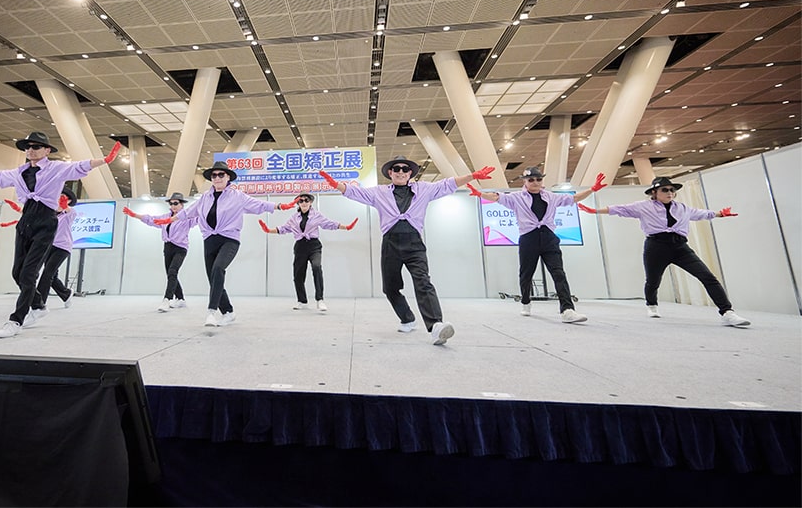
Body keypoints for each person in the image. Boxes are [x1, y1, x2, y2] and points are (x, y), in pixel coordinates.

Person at [0, 131, 120, 338]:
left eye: (36, 147)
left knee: (29, 274)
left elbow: (80, 166)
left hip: (45, 223)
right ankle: (38, 305)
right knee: (17, 273)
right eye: (27, 147)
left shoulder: (56, 168)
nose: (31, 150)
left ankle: (15, 320)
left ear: (47, 150)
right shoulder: (19, 172)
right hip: (25, 221)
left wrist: (104, 160)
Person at [319, 157, 495, 345]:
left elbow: (447, 184)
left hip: (414, 244)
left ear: (410, 173)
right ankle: (407, 318)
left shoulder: (424, 189)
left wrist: (471, 176)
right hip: (390, 244)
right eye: (396, 169)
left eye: (405, 169)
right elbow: (356, 192)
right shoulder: (379, 192)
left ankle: (436, 325)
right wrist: (337, 185)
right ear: (390, 172)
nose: (401, 172)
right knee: (390, 288)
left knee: (423, 281)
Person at [576, 176, 749, 327]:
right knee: (653, 281)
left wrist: (720, 214)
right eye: (665, 190)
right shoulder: (643, 206)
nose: (669, 193)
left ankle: (727, 312)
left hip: (680, 247)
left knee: (708, 277)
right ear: (655, 192)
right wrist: (594, 210)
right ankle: (651, 305)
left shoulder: (682, 208)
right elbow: (620, 209)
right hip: (656, 246)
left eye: (672, 190)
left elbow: (701, 213)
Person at [156, 161, 299, 327]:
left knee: (218, 269)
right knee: (213, 278)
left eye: (221, 174)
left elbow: (258, 204)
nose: (217, 178)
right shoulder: (205, 197)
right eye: (214, 175)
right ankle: (228, 312)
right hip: (209, 240)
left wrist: (280, 206)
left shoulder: (237, 196)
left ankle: (211, 312)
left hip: (229, 239)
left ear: (228, 177)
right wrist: (169, 220)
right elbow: (188, 212)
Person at [467, 166, 604, 323]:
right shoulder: (516, 197)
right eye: (531, 179)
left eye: (538, 179)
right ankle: (526, 302)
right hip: (528, 238)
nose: (535, 182)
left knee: (558, 273)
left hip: (549, 238)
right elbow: (497, 197)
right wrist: (480, 194)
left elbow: (573, 198)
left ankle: (567, 310)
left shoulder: (551, 197)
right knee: (526, 274)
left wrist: (592, 189)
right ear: (525, 181)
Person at [258, 193, 357, 312]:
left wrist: (346, 227)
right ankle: (302, 301)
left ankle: (320, 300)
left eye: (307, 200)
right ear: (298, 203)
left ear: (311, 202)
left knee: (316, 267)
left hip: (314, 246)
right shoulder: (294, 218)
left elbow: (329, 224)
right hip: (300, 247)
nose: (304, 202)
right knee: (298, 275)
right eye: (301, 201)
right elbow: (284, 228)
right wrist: (268, 230)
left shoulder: (316, 215)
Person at [123, 192, 198, 312]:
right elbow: (151, 219)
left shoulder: (187, 218)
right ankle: (180, 299)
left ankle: (167, 299)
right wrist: (134, 215)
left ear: (182, 204)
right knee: (170, 274)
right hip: (168, 247)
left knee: (173, 271)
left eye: (176, 203)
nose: (173, 206)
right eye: (171, 203)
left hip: (180, 248)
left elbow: (200, 218)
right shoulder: (166, 217)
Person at [30, 188, 78, 314]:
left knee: (47, 273)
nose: (60, 198)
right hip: (49, 246)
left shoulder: (69, 214)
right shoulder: (50, 213)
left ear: (69, 201)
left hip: (63, 247)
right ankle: (66, 294)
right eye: (59, 196)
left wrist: (65, 206)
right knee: (52, 275)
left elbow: (71, 212)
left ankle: (39, 304)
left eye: (63, 197)